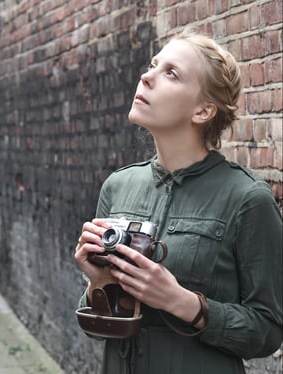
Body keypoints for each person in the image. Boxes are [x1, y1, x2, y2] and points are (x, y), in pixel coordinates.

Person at [74, 29, 282, 374]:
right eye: (153, 65)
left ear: (203, 110)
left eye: (170, 73)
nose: (146, 76)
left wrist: (183, 303)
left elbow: (268, 331)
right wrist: (98, 283)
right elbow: (98, 328)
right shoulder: (118, 186)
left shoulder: (247, 199)